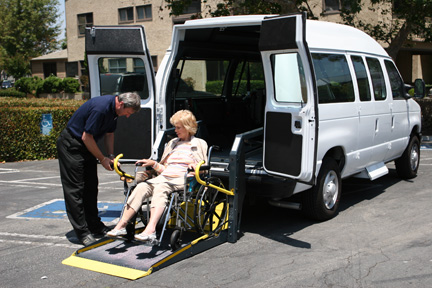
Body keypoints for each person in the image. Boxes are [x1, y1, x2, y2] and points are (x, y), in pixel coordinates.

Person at [107, 110, 207, 242]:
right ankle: (121, 225)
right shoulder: (173, 143)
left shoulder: (199, 143)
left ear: (188, 127)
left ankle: (151, 229)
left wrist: (196, 168)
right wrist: (153, 164)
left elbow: (203, 168)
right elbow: (164, 168)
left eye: (178, 127)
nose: (175, 130)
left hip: (183, 179)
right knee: (141, 187)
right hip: (164, 178)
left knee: (161, 188)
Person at [57, 92, 141, 246]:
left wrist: (110, 155)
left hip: (87, 146)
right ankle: (82, 232)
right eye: (128, 113)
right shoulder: (101, 109)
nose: (127, 116)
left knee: (91, 187)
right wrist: (102, 159)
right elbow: (86, 137)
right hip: (72, 145)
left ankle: (94, 226)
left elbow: (109, 134)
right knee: (76, 190)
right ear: (121, 104)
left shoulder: (114, 111)